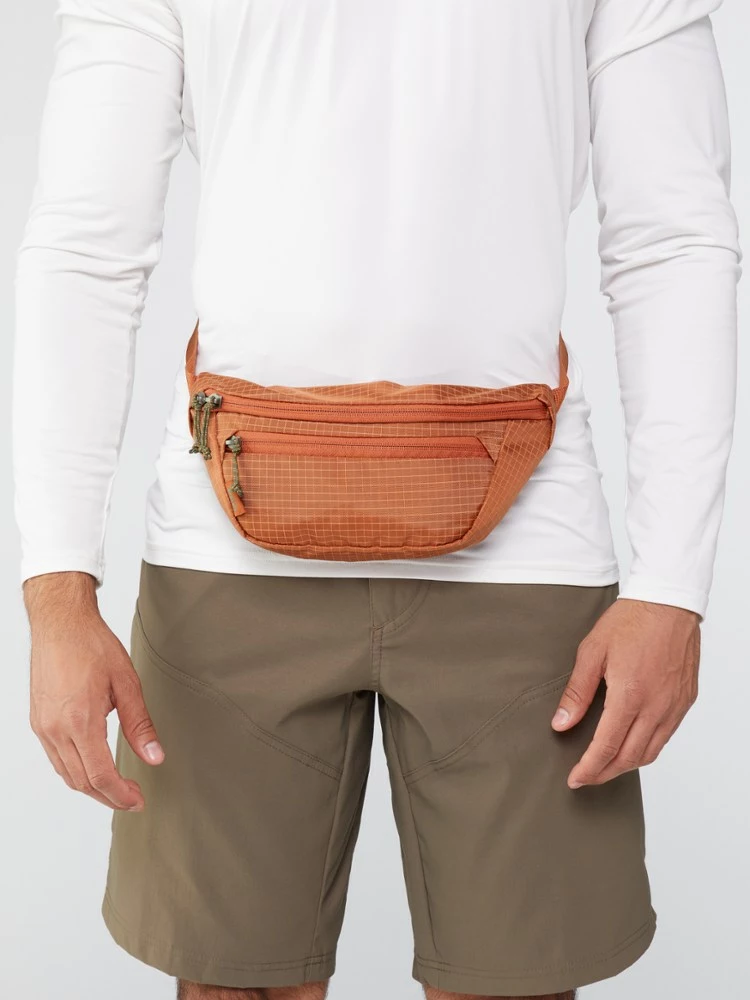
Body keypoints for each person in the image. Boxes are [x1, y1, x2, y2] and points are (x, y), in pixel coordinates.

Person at [13, 1, 740, 998]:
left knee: (514, 985)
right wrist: (57, 592)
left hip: (526, 556)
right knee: (233, 986)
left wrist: (672, 586)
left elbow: (675, 238)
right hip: (228, 551)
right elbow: (84, 248)